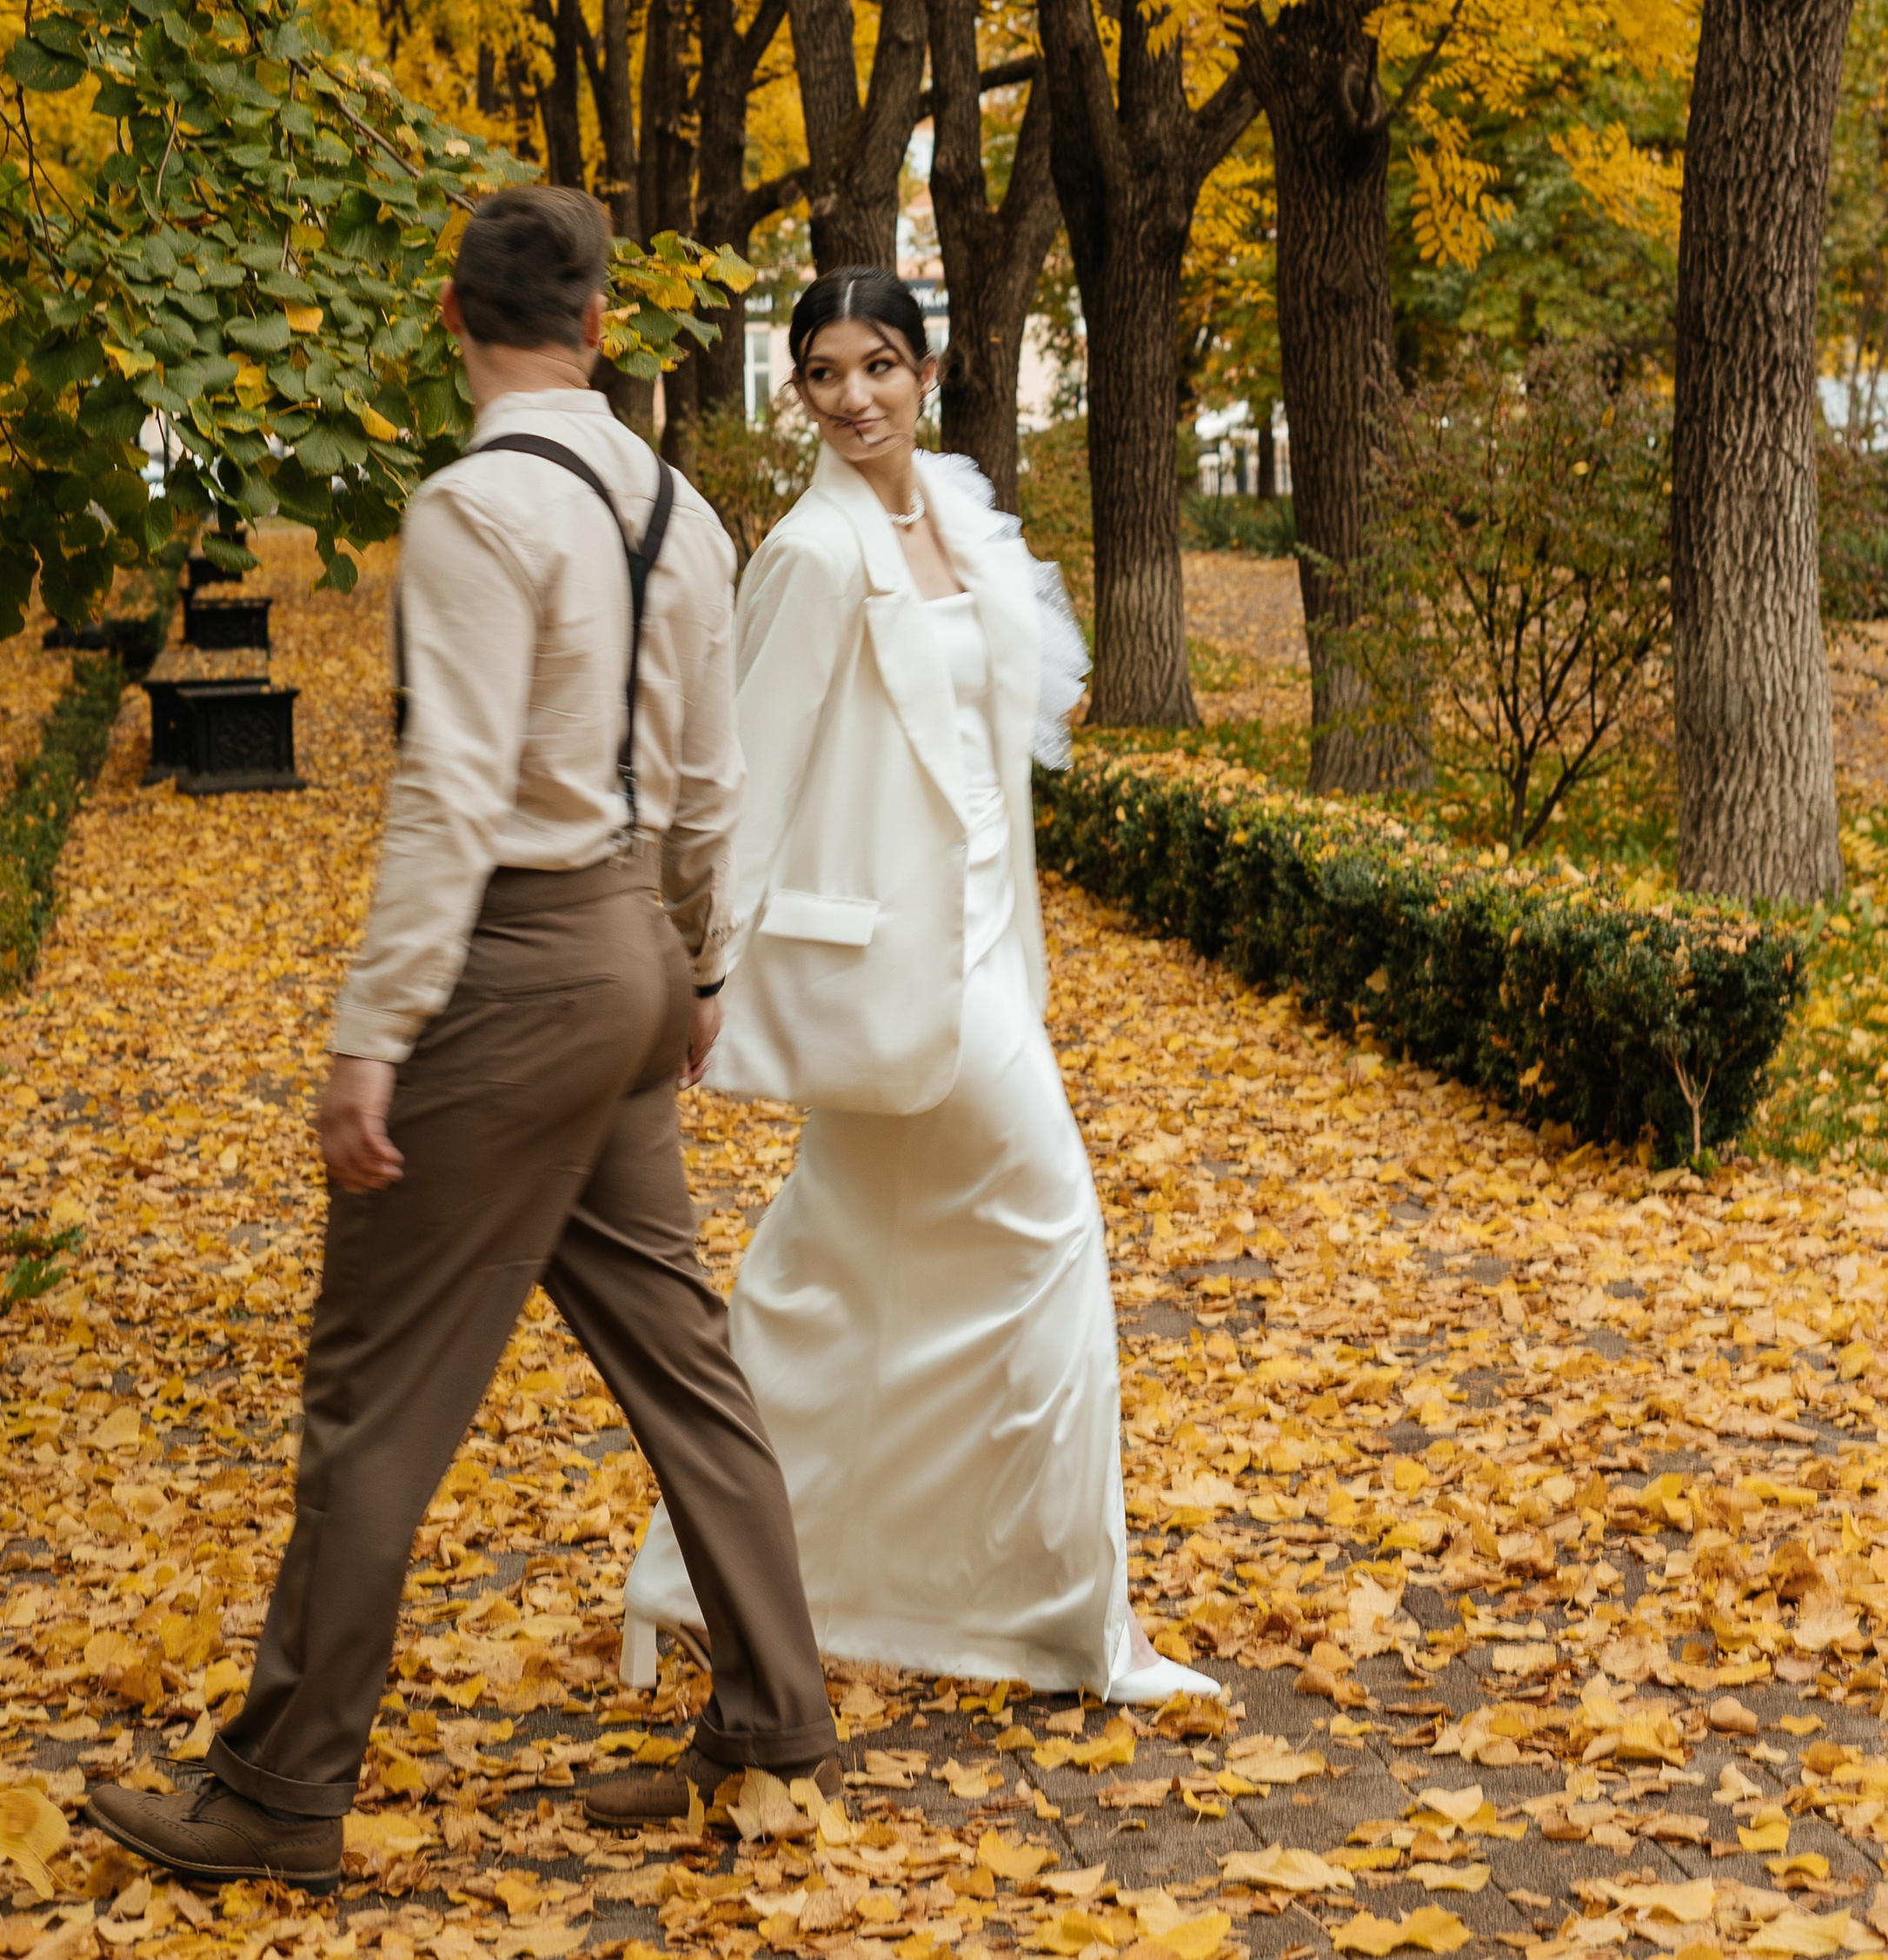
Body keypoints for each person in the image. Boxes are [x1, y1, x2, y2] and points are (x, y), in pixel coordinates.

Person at [89, 187, 838, 1891]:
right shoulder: (680, 507)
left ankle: (280, 1793)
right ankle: (776, 1713)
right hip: (640, 953)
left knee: (372, 1397)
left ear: (451, 316)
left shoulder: (475, 506)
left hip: (517, 971)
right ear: (594, 327)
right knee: (678, 1351)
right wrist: (698, 970)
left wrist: (376, 1026)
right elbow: (718, 781)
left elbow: (452, 784)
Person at [610, 266, 1218, 1711]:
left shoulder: (946, 506)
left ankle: (697, 1580)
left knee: (826, 1277)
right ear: (799, 392)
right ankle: (1083, 1630)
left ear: (925, 371)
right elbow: (743, 779)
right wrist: (700, 972)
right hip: (899, 965)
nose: (855, 397)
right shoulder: (815, 556)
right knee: (1056, 1237)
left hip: (992, 936)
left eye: (879, 365)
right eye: (824, 373)